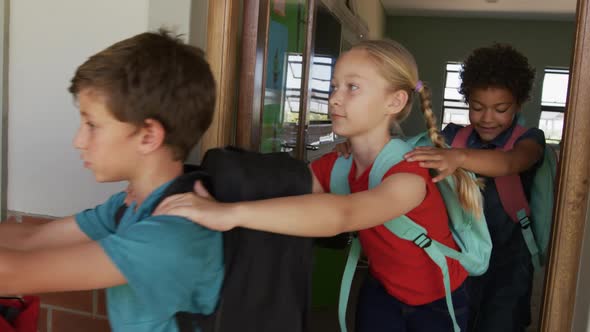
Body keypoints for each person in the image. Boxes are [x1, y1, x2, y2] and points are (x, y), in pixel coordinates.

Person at [155, 39, 482, 332]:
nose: (335, 99)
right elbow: (284, 191)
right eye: (334, 86)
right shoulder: (338, 164)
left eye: (352, 87)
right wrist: (182, 184)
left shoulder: (410, 174)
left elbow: (344, 215)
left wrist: (231, 214)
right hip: (384, 289)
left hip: (437, 298)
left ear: (394, 102)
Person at [0, 29, 223, 332]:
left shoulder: (172, 236)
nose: (78, 141)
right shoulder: (130, 206)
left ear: (148, 136)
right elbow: (32, 240)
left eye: (92, 124)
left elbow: (11, 275)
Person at [404, 43, 545, 332]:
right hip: (459, 255)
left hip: (510, 260)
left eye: (500, 109)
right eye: (477, 107)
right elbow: (402, 153)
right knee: (456, 320)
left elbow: (510, 163)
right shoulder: (452, 136)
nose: (487, 118)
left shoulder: (529, 138)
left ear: (518, 105)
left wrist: (460, 157)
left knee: (501, 323)